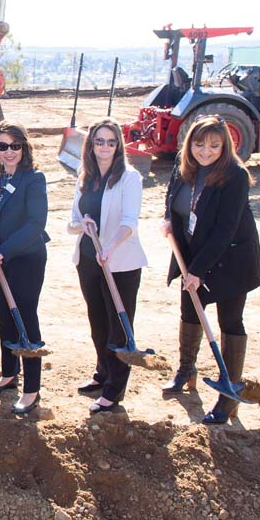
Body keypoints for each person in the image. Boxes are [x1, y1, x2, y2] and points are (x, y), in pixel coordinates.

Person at [160, 116, 260, 425]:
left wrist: (198, 271)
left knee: (229, 321)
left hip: (231, 260)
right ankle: (186, 371)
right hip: (192, 254)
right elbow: (173, 198)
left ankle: (228, 395)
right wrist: (167, 218)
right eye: (199, 144)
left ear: (225, 146)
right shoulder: (184, 164)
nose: (205, 151)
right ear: (190, 143)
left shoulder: (235, 176)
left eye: (214, 146)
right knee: (190, 313)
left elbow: (225, 230)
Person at [68, 118, 147, 415]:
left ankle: (114, 390)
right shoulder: (85, 176)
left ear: (118, 145)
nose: (105, 147)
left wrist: (110, 248)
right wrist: (83, 225)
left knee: (118, 327)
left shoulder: (129, 178)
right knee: (97, 322)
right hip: (88, 259)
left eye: (111, 142)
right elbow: (71, 222)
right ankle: (102, 373)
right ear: (91, 145)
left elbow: (130, 223)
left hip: (119, 263)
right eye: (99, 141)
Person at [0, 121, 49, 416]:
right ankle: (8, 374)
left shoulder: (34, 179)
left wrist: (3, 251)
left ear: (23, 147)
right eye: (2, 146)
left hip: (24, 258)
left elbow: (35, 224)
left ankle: (32, 389)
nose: (8, 152)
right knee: (4, 318)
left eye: (14, 146)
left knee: (25, 319)